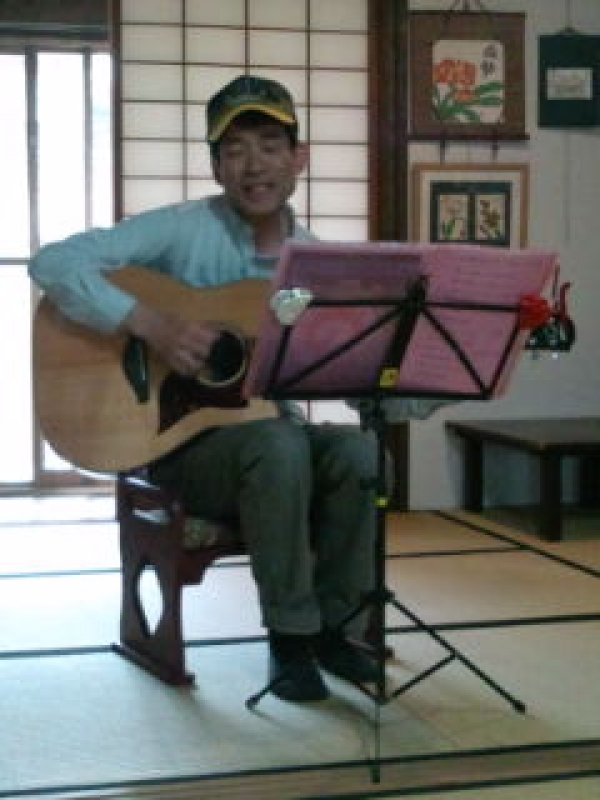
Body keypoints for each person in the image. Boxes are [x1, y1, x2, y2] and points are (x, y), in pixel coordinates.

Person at [29, 74, 381, 703]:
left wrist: (411, 374)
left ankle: (337, 630)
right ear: (216, 166)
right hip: (175, 448)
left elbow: (354, 372)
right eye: (235, 149)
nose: (254, 165)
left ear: (299, 159)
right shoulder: (180, 228)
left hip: (271, 444)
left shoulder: (319, 264)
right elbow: (53, 262)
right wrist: (150, 323)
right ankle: (290, 641)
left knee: (359, 451)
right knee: (276, 442)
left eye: (270, 145)